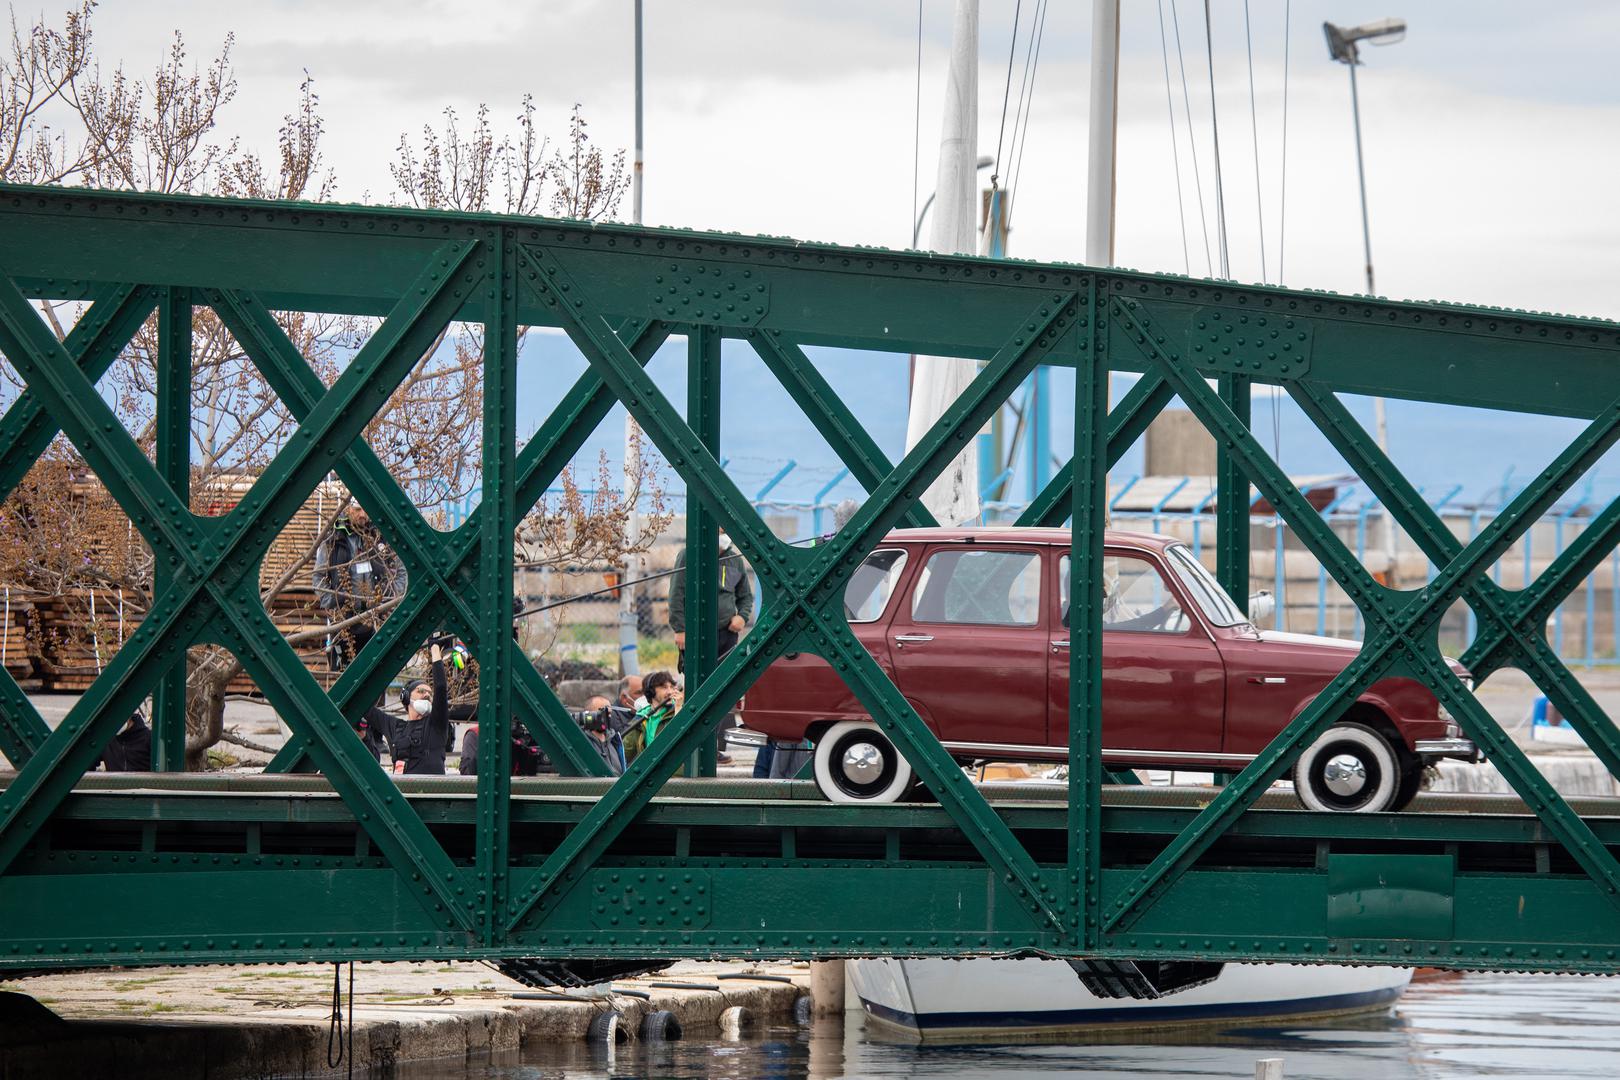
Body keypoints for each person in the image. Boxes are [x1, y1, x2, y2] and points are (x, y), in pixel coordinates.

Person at [667, 527, 753, 765]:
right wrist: (680, 629)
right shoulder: (689, 555)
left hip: (727, 634)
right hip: (696, 634)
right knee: (697, 688)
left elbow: (745, 596)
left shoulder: (733, 559)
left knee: (723, 688)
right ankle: (689, 747)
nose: (723, 534)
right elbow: (677, 594)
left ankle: (715, 747)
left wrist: (742, 617)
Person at [313, 505, 405, 672]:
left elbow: (402, 570)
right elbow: (318, 577)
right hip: (344, 623)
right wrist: (333, 601)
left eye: (365, 509)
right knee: (343, 676)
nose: (363, 514)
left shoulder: (381, 540)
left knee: (376, 676)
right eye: (357, 509)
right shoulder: (333, 542)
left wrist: (391, 598)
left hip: (377, 621)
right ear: (347, 509)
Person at [361, 642, 451, 774]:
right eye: (420, 691)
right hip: (401, 792)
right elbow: (365, 708)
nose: (427, 695)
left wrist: (435, 650)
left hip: (430, 792)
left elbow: (441, 686)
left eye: (430, 694)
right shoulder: (395, 726)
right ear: (406, 697)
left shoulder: (436, 724)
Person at [622, 670, 680, 764]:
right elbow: (624, 754)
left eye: (672, 687)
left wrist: (678, 708)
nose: (670, 692)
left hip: (675, 776)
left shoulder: (679, 711)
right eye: (664, 687)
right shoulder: (641, 718)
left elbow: (680, 740)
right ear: (651, 691)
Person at [576, 694, 626, 775]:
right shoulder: (580, 740)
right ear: (588, 715)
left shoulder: (615, 739)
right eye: (603, 713)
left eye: (609, 713)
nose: (608, 717)